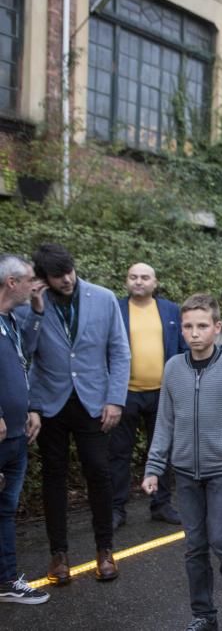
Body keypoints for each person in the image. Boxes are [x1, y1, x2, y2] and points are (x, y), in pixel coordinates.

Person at [16, 243, 129, 584]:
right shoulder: (28, 305)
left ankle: (105, 549)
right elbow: (23, 352)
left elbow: (119, 351)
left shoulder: (104, 297)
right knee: (54, 477)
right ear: (42, 278)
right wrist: (35, 310)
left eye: (69, 271)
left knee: (98, 472)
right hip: (49, 402)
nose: (66, 279)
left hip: (93, 402)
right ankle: (58, 554)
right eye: (57, 276)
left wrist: (115, 399)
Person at [142, 294, 222, 631]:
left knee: (221, 540)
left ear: (217, 328)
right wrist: (153, 467)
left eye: (202, 326)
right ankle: (203, 614)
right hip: (186, 472)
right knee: (194, 546)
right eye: (188, 326)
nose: (194, 333)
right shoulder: (174, 367)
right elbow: (164, 422)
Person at [109, 263, 185, 531]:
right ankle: (116, 508)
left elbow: (182, 348)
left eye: (144, 277)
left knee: (162, 451)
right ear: (126, 281)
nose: (138, 281)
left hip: (163, 394)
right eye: (133, 277)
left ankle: (161, 504)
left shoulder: (171, 310)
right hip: (124, 394)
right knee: (118, 454)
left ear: (155, 282)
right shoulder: (115, 309)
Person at [0, 255, 48, 604]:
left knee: (5, 509)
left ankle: (5, 580)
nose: (36, 284)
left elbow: (24, 357)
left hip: (17, 434)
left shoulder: (12, 321)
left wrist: (30, 408)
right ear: (11, 282)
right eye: (31, 280)